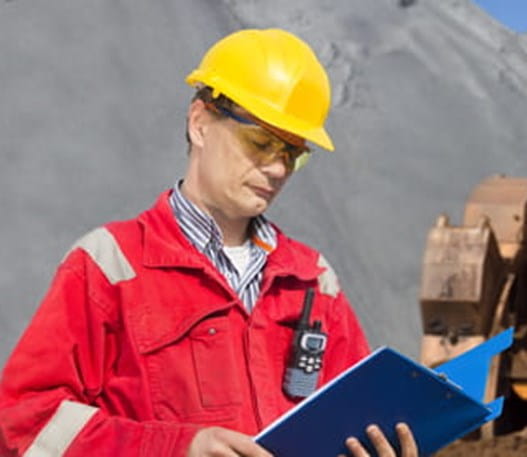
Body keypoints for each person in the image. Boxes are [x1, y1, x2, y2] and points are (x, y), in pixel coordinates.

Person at [0, 28, 418, 457]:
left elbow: (355, 419)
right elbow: (25, 424)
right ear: (200, 123)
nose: (277, 169)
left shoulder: (314, 280)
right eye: (261, 143)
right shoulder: (110, 265)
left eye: (293, 154)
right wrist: (179, 448)